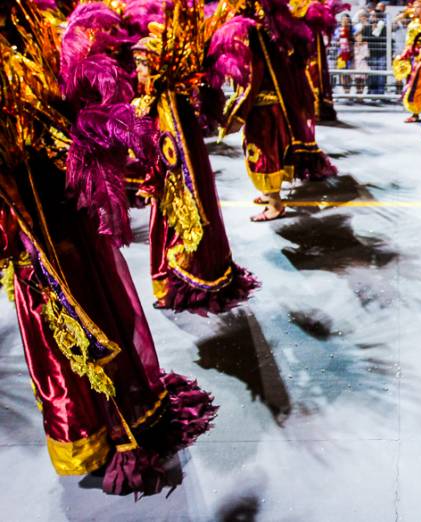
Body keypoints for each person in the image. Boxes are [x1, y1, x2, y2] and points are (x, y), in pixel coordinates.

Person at [0, 1, 216, 496]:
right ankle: (111, 423)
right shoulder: (38, 34)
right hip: (51, 203)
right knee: (84, 305)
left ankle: (109, 430)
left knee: (76, 312)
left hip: (50, 208)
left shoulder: (39, 36)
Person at [131, 3, 258, 313]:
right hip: (168, 184)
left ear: (158, 68)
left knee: (176, 236)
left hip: (174, 187)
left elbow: (170, 153)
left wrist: (149, 183)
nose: (139, 71)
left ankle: (184, 282)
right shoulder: (161, 99)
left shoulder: (168, 104)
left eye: (143, 65)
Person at [210, 0, 337, 222]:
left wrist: (238, 112)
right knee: (268, 153)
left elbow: (254, 76)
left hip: (264, 109)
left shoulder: (256, 33)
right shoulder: (266, 30)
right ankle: (269, 195)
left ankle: (275, 204)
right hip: (270, 107)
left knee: (264, 155)